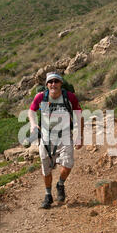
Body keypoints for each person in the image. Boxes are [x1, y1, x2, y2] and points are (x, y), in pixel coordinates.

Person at [28, 72, 84, 209]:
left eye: (56, 81)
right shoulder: (41, 97)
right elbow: (31, 110)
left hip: (65, 135)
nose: (53, 84)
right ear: (47, 85)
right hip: (46, 138)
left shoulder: (69, 97)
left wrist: (79, 135)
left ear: (61, 83)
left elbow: (79, 115)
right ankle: (48, 195)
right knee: (46, 170)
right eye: (50, 82)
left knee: (68, 164)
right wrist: (32, 124)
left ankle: (60, 184)